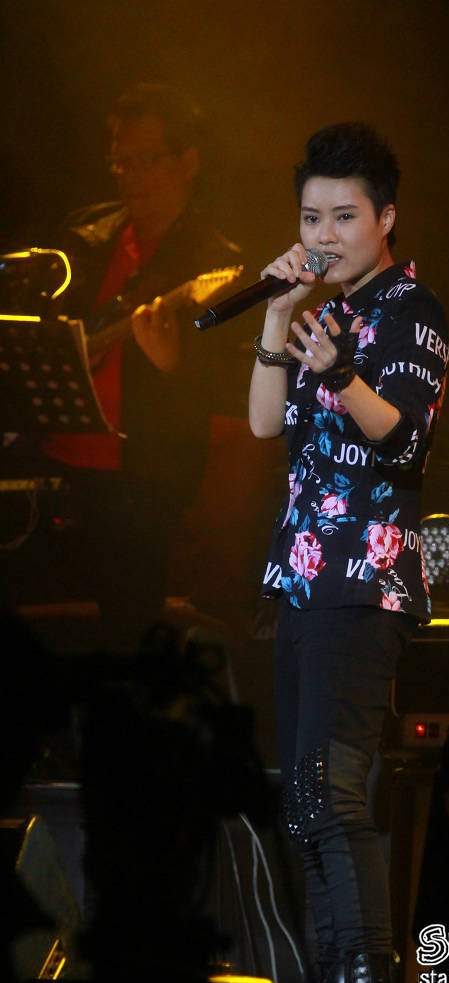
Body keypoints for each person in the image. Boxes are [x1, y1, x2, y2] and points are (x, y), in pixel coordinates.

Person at [248, 122, 449, 983]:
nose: (323, 235)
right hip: (302, 581)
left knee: (332, 797)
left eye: (343, 217)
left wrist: (338, 374)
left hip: (363, 583)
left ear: (385, 219)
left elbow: (403, 442)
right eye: (310, 218)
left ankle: (369, 980)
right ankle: (336, 978)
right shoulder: (320, 312)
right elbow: (265, 424)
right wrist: (276, 314)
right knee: (302, 808)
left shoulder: (412, 311)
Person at [19, 83, 241, 649]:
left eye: (145, 160)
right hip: (53, 459)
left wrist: (173, 366)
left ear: (187, 163)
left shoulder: (213, 262)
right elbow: (42, 327)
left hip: (140, 480)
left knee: (128, 631)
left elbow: (226, 388)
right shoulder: (85, 235)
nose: (128, 175)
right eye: (120, 160)